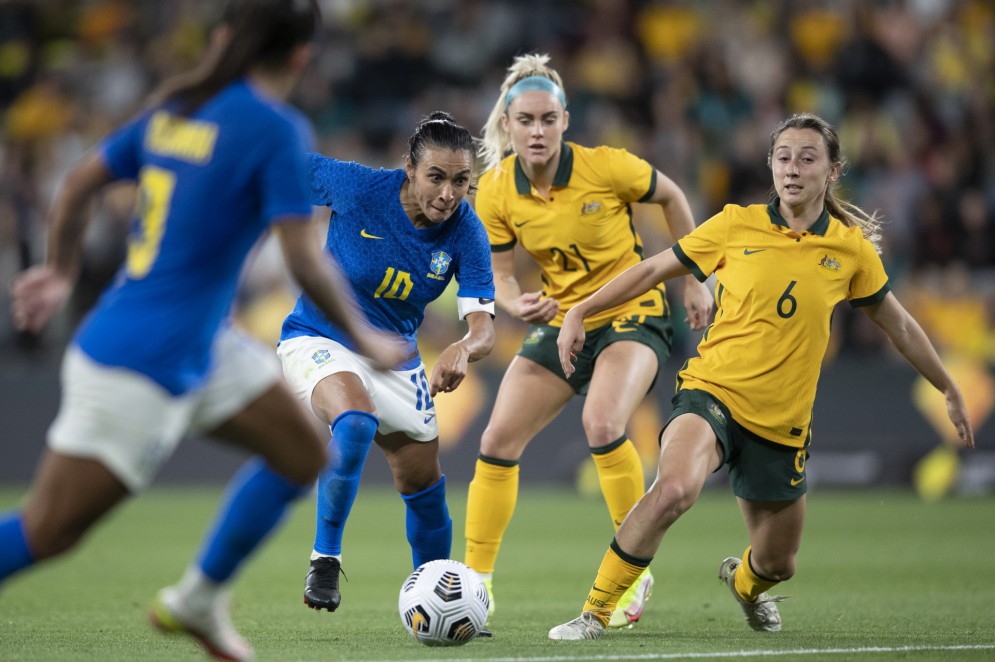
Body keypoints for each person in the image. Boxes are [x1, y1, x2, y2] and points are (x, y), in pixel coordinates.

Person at [1, 2, 406, 660]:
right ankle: (197, 597)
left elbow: (78, 183)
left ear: (226, 38)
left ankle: (197, 599)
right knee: (48, 531)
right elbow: (303, 257)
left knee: (304, 454)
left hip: (201, 344)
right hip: (136, 362)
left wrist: (59, 270)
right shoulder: (275, 128)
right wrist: (364, 337)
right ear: (302, 57)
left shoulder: (176, 108)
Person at [547, 112, 975, 641]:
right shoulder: (735, 224)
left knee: (777, 564)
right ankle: (595, 611)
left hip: (781, 423)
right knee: (675, 487)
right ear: (771, 165)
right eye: (783, 157)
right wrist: (580, 311)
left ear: (833, 171)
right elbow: (653, 269)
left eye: (807, 158)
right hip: (712, 392)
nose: (792, 169)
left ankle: (745, 585)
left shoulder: (850, 250)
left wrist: (949, 386)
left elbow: (902, 327)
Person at [463, 53, 714, 628]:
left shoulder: (607, 167)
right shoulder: (497, 190)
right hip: (563, 321)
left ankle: (633, 571)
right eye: (525, 120)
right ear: (507, 124)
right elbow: (497, 273)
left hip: (635, 311)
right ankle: (476, 584)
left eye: (548, 119)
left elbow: (673, 196)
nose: (537, 131)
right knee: (498, 437)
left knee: (602, 424)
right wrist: (513, 302)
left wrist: (698, 276)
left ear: (565, 121)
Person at [278, 111, 496, 614]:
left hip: (396, 358)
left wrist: (464, 347)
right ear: (409, 169)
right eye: (436, 178)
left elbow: (483, 327)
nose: (447, 194)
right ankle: (324, 559)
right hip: (318, 338)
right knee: (355, 420)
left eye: (460, 182)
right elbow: (279, 165)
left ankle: (442, 598)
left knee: (422, 483)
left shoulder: (467, 233)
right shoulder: (357, 188)